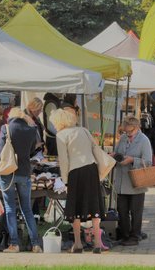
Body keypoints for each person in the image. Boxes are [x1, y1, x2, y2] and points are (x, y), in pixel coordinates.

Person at [50, 109, 105, 254]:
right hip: (91, 168)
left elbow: (63, 160)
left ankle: (78, 243)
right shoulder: (83, 130)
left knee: (74, 206)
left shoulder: (61, 135)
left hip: (75, 171)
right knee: (94, 204)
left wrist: (65, 181)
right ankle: (98, 242)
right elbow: (95, 148)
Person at [0, 108, 42, 253]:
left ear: (10, 117)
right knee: (27, 209)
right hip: (24, 172)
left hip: (8, 172)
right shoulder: (31, 130)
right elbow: (32, 150)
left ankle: (14, 244)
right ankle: (36, 244)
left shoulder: (6, 128)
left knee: (10, 209)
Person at [112, 116, 153, 246]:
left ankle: (135, 236)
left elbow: (148, 162)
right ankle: (125, 235)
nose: (128, 134)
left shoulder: (144, 140)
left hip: (136, 182)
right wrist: (114, 156)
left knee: (136, 211)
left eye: (130, 131)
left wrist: (132, 160)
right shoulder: (123, 138)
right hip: (121, 182)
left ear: (137, 128)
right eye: (126, 132)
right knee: (122, 211)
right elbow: (119, 153)